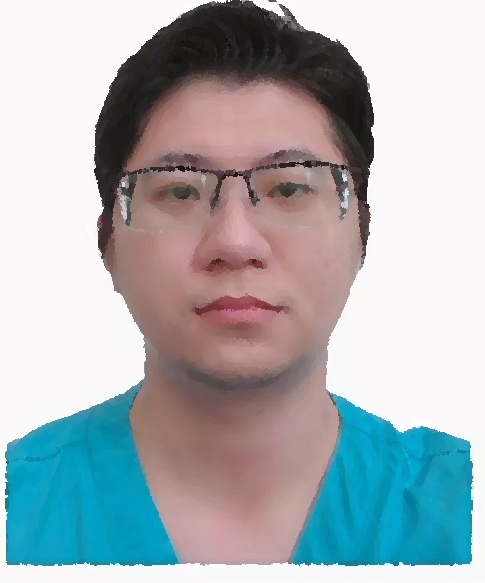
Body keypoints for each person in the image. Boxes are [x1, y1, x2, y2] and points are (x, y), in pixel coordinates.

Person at [6, 0, 472, 566]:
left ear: (362, 231)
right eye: (179, 190)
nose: (235, 242)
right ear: (108, 243)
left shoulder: (458, 509)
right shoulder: (18, 509)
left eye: (290, 188)